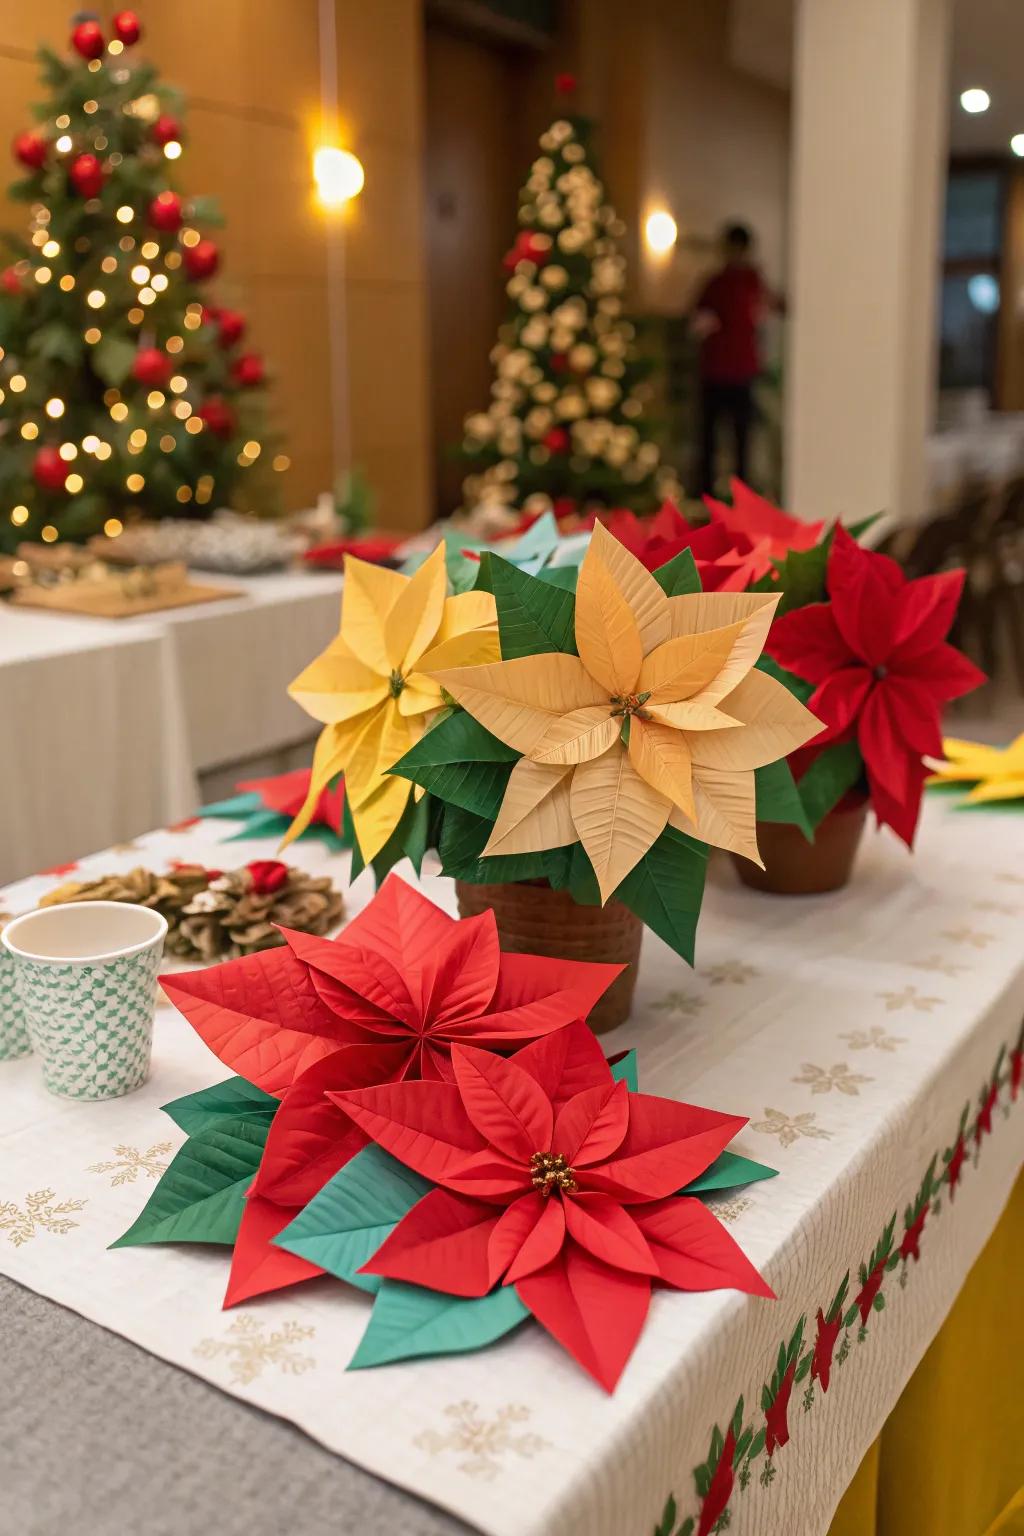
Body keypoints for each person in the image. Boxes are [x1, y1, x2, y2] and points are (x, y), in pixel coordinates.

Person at [691, 222, 780, 496]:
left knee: (740, 439)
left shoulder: (753, 282)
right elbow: (698, 321)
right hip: (718, 369)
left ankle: (738, 497)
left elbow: (775, 307)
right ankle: (708, 494)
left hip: (739, 371)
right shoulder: (718, 283)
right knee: (712, 438)